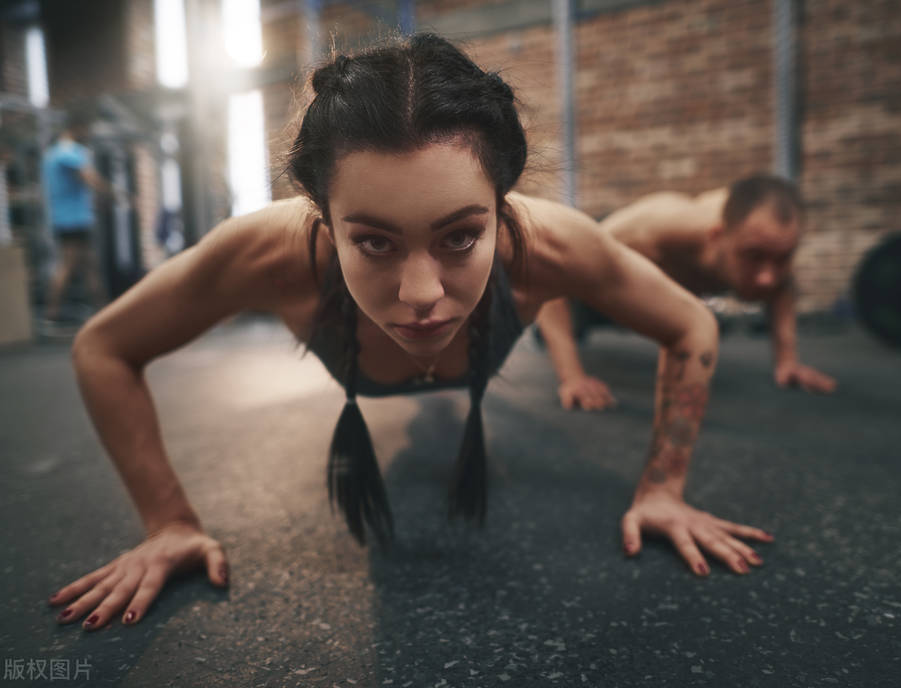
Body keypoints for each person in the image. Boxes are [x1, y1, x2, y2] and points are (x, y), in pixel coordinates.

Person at [46, 34, 773, 632]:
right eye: (374, 243)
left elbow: (691, 324)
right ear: (324, 219)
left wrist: (664, 488)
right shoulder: (268, 252)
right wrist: (167, 521)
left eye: (461, 236)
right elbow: (104, 347)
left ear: (502, 202)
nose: (421, 296)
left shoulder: (553, 246)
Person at [536, 175, 838, 411]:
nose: (767, 278)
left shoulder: (762, 238)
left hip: (653, 289)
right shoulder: (652, 232)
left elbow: (782, 283)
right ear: (717, 236)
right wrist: (572, 377)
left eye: (783, 258)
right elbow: (555, 278)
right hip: (594, 282)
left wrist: (787, 360)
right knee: (557, 318)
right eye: (753, 256)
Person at [41, 111, 112, 328]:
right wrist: (115, 194)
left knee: (89, 265)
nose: (88, 134)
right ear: (78, 128)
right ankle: (51, 315)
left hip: (67, 218)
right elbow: (89, 177)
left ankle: (105, 313)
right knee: (69, 265)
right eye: (87, 130)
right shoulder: (68, 152)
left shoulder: (52, 154)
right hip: (73, 220)